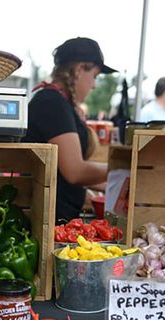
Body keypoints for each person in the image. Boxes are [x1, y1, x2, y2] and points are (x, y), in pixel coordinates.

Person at [23, 37, 113, 221]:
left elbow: (62, 172)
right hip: (49, 220)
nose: (94, 85)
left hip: (58, 217)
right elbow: (74, 172)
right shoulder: (51, 103)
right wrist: (120, 169)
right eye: (94, 76)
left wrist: (114, 184)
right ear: (79, 70)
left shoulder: (58, 102)